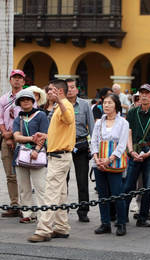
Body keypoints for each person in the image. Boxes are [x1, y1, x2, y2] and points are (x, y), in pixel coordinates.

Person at [28, 79, 75, 243]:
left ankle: (43, 229)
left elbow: (69, 119)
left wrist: (61, 101)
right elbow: (62, 132)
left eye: (52, 90)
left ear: (60, 91)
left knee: (51, 194)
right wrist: (45, 136)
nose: (48, 92)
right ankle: (61, 228)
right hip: (59, 155)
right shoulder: (58, 107)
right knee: (60, 195)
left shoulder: (65, 105)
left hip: (59, 157)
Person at [124, 84, 150, 227]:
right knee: (129, 185)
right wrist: (131, 151)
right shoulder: (132, 112)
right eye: (141, 93)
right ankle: (123, 216)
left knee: (148, 186)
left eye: (147, 93)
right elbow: (128, 134)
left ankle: (143, 217)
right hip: (134, 151)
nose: (144, 96)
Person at [91, 94, 129, 236]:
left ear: (116, 105)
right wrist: (96, 157)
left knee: (117, 193)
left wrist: (109, 159)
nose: (106, 105)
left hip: (114, 162)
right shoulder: (99, 123)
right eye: (104, 103)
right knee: (102, 194)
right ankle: (105, 223)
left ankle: (121, 223)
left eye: (110, 103)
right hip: (99, 161)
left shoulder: (123, 123)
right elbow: (94, 141)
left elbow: (122, 144)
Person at [13, 90, 49, 223]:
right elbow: (16, 136)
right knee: (23, 187)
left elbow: (45, 135)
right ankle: (27, 213)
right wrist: (31, 139)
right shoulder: (19, 118)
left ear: (33, 101)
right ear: (19, 103)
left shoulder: (41, 115)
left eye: (28, 99)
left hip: (37, 154)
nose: (26, 101)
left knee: (40, 186)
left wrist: (37, 150)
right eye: (22, 100)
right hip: (21, 154)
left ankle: (43, 215)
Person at [66, 78, 94, 222]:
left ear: (77, 89)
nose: (70, 90)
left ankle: (83, 210)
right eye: (67, 87)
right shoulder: (60, 104)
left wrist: (93, 148)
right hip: (64, 146)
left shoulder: (85, 105)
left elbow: (92, 126)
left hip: (81, 145)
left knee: (82, 180)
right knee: (62, 180)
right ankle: (62, 209)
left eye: (72, 87)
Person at [0, 69, 26, 217]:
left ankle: (25, 205)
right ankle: (14, 204)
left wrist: (13, 135)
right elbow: (1, 119)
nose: (16, 80)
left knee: (23, 173)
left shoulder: (27, 98)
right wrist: (6, 135)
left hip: (22, 139)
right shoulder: (3, 99)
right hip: (6, 138)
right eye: (14, 78)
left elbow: (27, 118)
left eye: (19, 78)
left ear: (23, 81)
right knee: (10, 174)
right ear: (10, 80)